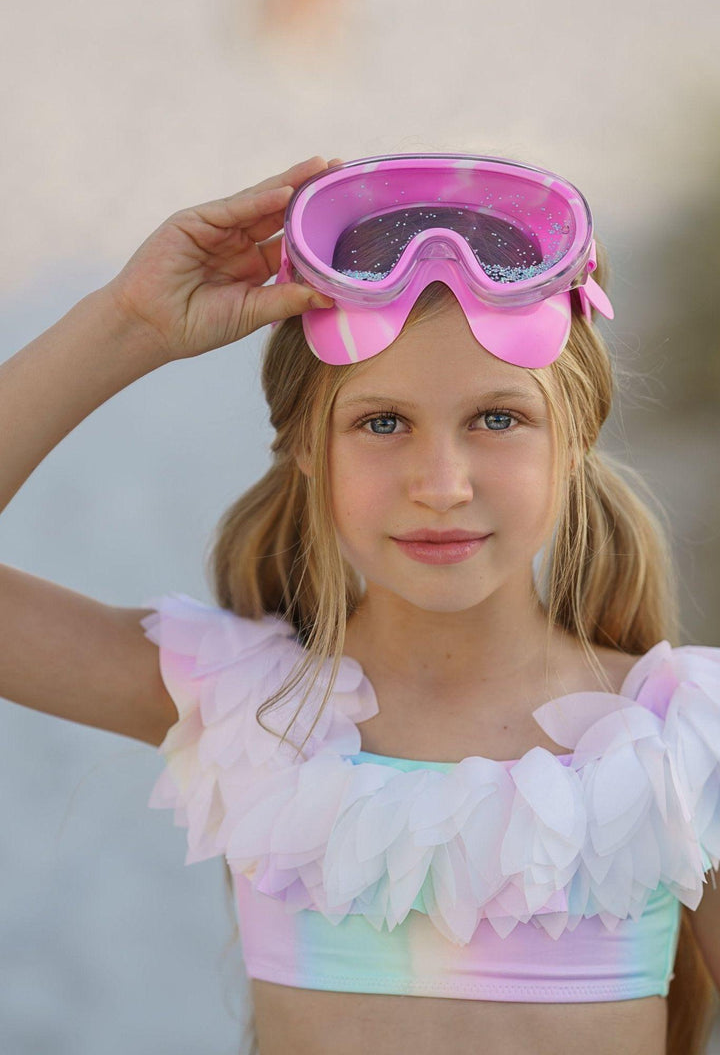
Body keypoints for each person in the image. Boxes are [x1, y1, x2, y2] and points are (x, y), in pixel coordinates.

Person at [1, 151, 718, 1055]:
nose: (442, 483)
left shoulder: (683, 744)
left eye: (498, 419)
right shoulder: (247, 710)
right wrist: (130, 321)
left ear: (575, 439)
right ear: (307, 447)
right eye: (383, 423)